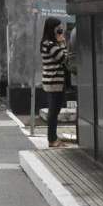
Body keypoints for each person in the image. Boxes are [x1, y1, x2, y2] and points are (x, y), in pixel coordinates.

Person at [40, 17, 69, 148]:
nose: (60, 30)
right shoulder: (49, 44)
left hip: (55, 81)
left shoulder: (49, 43)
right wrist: (62, 43)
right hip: (54, 82)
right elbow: (63, 58)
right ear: (52, 28)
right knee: (53, 112)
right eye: (58, 27)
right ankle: (52, 139)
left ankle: (53, 138)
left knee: (54, 111)